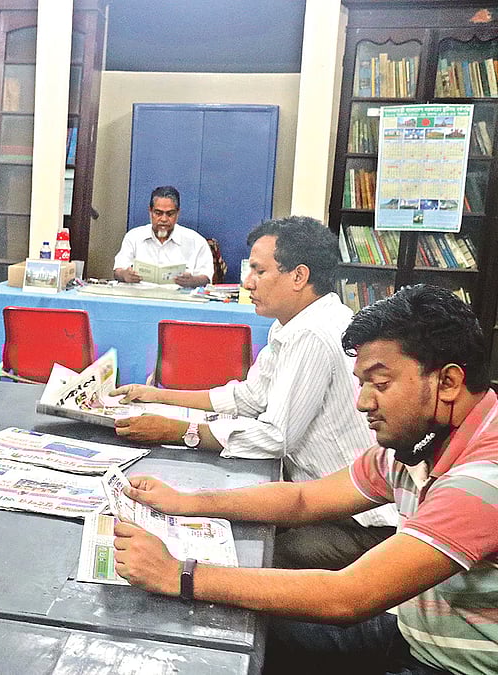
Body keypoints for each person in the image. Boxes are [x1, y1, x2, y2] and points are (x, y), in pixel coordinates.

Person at [111, 284, 497, 675]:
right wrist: (187, 502)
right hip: (415, 632)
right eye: (362, 384)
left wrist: (178, 573)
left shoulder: (481, 479)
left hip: (452, 666)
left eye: (380, 384)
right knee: (247, 624)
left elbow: (349, 596)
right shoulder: (420, 442)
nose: (363, 402)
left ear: (448, 382)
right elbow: (304, 500)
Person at [111, 216, 397, 570]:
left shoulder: (312, 334)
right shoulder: (293, 323)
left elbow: (275, 437)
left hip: (356, 522)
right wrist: (159, 396)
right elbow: (249, 397)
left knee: (237, 557)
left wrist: (178, 431)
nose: (248, 283)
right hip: (320, 499)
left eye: (259, 272)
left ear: (298, 276)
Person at [112, 186, 214, 288]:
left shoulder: (196, 241)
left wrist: (192, 281)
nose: (164, 219)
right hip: (138, 297)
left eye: (170, 214)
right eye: (158, 213)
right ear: (150, 211)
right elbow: (117, 271)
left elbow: (206, 278)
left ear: (178, 213)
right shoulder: (134, 237)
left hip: (179, 300)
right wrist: (125, 275)